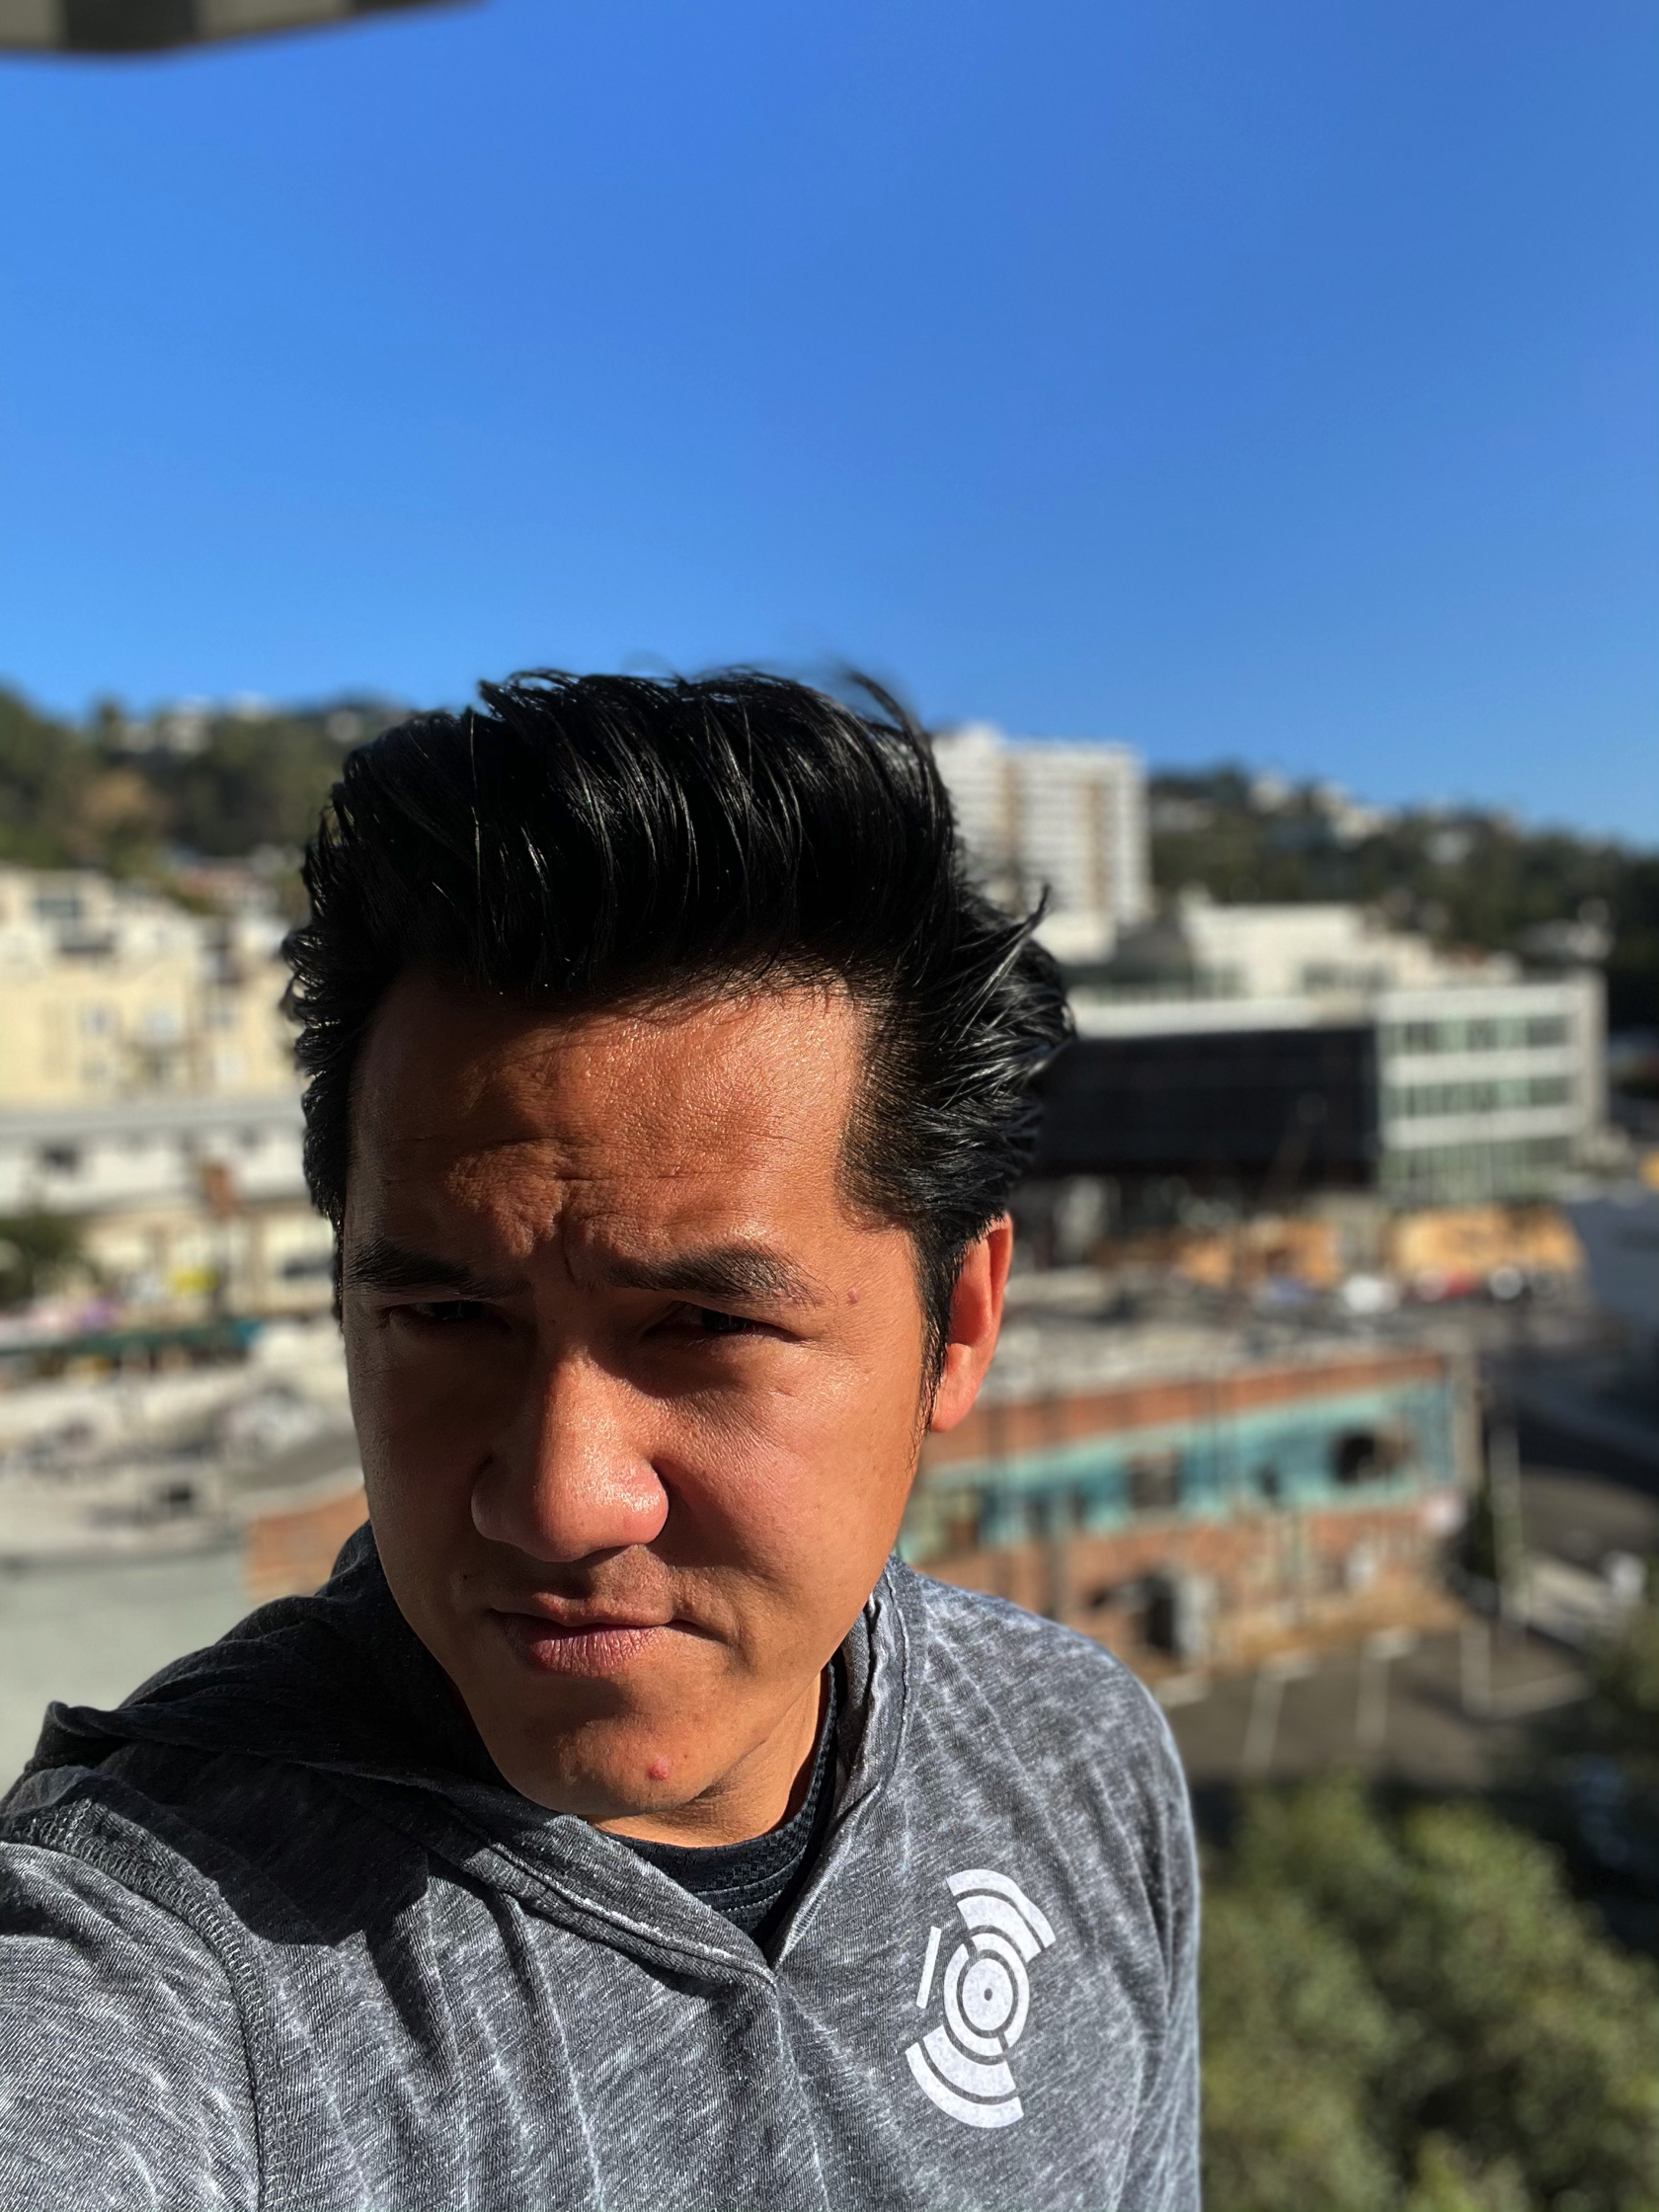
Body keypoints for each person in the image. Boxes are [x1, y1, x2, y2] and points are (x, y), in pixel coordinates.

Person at [0, 672, 1199, 2211]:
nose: (561, 1501)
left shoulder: (1072, 1758)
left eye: (704, 1326)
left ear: (956, 1326)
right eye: (448, 1315)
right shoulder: (164, 1952)